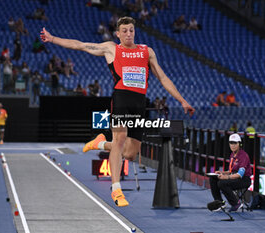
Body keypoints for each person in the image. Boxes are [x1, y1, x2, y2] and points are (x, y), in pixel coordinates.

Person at [40, 16, 194, 207]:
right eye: (125, 31)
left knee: (130, 154)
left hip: (139, 103)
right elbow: (80, 45)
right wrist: (53, 39)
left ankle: (101, 143)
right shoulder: (111, 48)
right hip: (121, 98)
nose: (128, 33)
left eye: (131, 30)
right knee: (120, 140)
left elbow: (162, 77)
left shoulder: (147, 51)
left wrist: (182, 100)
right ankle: (116, 189)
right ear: (118, 33)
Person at [209, 133, 252, 212]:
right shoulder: (232, 154)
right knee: (213, 179)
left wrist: (226, 177)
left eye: (235, 143)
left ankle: (236, 203)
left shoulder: (243, 156)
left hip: (244, 180)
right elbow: (231, 171)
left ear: (239, 144)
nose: (233, 145)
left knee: (222, 183)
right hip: (234, 177)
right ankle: (220, 203)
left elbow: (239, 174)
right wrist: (222, 172)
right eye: (231, 143)